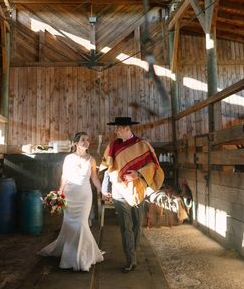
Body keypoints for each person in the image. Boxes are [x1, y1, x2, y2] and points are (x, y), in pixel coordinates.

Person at [101, 117, 164, 273]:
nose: (115, 131)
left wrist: (138, 173)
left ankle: (133, 252)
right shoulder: (113, 146)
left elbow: (153, 165)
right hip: (119, 191)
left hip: (138, 190)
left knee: (137, 225)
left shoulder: (143, 145)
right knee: (125, 227)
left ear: (126, 128)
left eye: (117, 128)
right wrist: (104, 189)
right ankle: (131, 259)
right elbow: (107, 169)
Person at [39, 132, 104, 272]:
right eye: (82, 140)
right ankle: (71, 255)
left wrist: (102, 190)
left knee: (81, 223)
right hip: (70, 194)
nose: (86, 142)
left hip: (85, 195)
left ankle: (83, 257)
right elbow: (65, 176)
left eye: (87, 140)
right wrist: (60, 192)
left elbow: (94, 178)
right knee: (70, 223)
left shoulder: (91, 160)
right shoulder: (69, 158)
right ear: (75, 143)